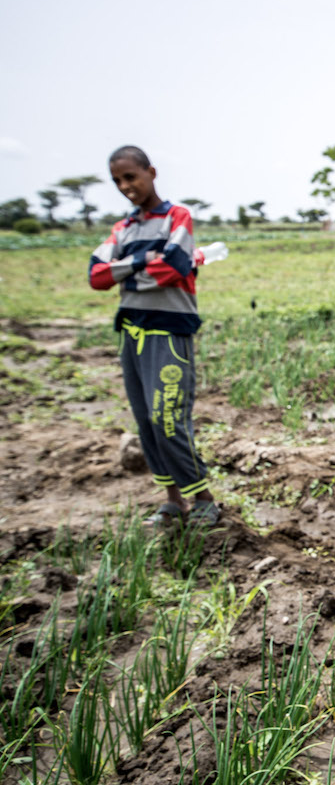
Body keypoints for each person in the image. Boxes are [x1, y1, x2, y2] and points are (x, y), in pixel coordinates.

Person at [88, 145, 217, 525]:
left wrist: (124, 271)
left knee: (168, 417)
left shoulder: (177, 217)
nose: (125, 186)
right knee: (145, 419)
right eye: (117, 181)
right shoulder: (123, 228)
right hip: (133, 332)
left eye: (131, 176)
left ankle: (204, 498)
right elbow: (96, 276)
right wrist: (145, 260)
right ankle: (173, 501)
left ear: (151, 172)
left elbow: (176, 265)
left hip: (168, 330)